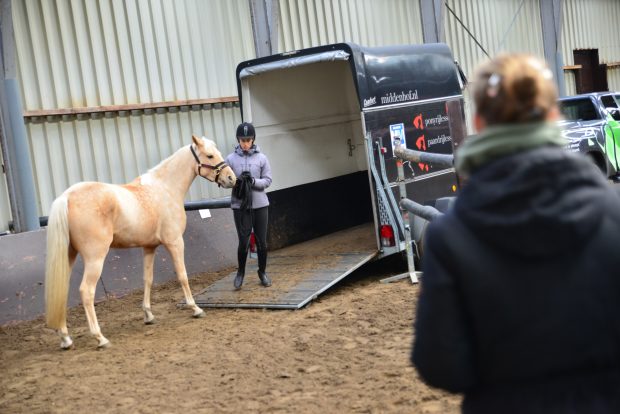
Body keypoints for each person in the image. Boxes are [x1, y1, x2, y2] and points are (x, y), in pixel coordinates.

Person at [411, 54, 620, 413]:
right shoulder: (611, 213)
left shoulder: (452, 235)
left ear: (479, 121)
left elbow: (440, 364)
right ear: (553, 117)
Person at [226, 121, 273, 290]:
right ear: (238, 140)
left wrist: (252, 181)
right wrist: (237, 183)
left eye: (248, 140)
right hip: (240, 206)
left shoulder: (262, 158)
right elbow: (226, 181)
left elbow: (268, 180)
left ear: (253, 140)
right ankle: (240, 273)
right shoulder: (230, 159)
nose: (245, 143)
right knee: (243, 242)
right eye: (242, 140)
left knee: (262, 241)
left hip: (260, 205)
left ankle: (262, 272)